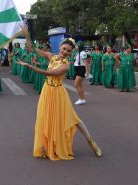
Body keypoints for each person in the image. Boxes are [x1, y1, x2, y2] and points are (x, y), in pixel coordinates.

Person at [18, 26, 102, 160]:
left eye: (68, 51)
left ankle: (91, 142)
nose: (65, 52)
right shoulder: (52, 56)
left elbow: (48, 73)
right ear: (60, 47)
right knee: (45, 118)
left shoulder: (66, 65)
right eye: (64, 49)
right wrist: (26, 34)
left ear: (70, 53)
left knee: (73, 118)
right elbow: (31, 49)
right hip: (47, 91)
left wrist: (29, 66)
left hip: (58, 93)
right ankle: (48, 145)